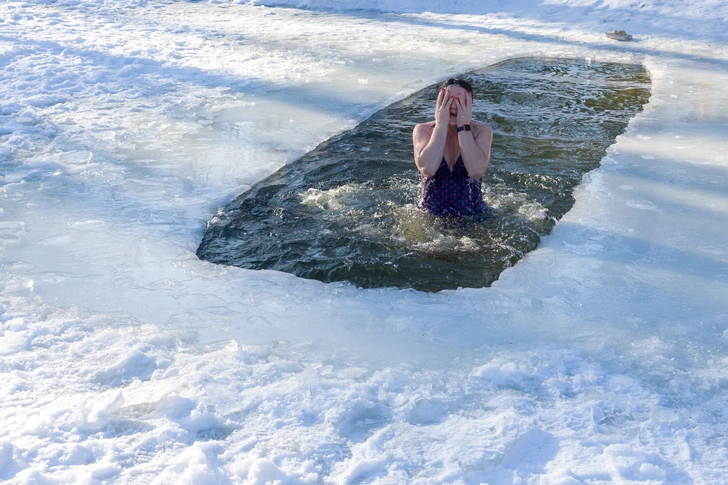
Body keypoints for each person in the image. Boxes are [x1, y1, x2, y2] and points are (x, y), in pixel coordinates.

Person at [413, 78, 493, 217]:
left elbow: (476, 171)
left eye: (461, 101)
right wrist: (441, 125)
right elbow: (428, 168)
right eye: (447, 99)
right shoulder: (423, 130)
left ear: (470, 105)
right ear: (438, 103)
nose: (453, 106)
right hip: (429, 216)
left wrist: (464, 127)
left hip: (474, 217)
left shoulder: (481, 130)